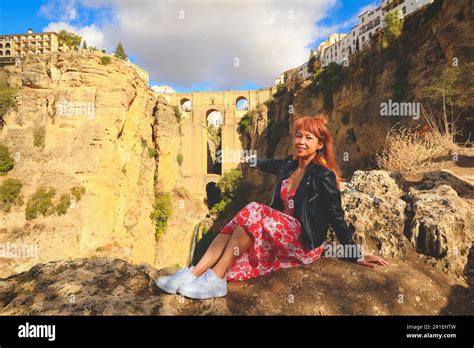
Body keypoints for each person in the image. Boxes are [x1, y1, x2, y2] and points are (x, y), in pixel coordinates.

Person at [156, 115, 388, 299]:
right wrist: (246, 157)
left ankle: (216, 279)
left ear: (320, 145)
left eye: (308, 138)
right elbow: (267, 164)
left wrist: (354, 253)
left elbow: (336, 216)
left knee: (254, 209)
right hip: (280, 233)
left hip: (302, 242)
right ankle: (193, 273)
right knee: (239, 220)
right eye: (298, 136)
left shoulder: (323, 175)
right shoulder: (288, 164)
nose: (301, 141)